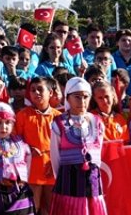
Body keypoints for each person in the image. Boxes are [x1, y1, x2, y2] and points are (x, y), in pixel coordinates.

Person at [49, 78, 106, 215]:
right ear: (68, 98)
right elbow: (55, 156)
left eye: (86, 97)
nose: (82, 101)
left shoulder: (97, 122)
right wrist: (62, 178)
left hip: (91, 177)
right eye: (77, 97)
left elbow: (99, 152)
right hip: (68, 177)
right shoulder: (59, 123)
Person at [14, 77, 58, 210]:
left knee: (52, 208)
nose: (36, 93)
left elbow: (64, 145)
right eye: (33, 90)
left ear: (50, 93)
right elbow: (15, 140)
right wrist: (27, 148)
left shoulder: (59, 117)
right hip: (31, 169)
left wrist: (56, 162)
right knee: (33, 207)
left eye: (40, 89)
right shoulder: (22, 115)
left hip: (52, 169)